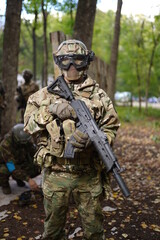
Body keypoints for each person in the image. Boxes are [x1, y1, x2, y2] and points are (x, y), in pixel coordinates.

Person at [24, 39, 120, 240]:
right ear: (58, 62)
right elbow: (28, 126)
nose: (71, 67)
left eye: (78, 60)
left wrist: (97, 138)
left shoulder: (99, 96)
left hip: (88, 175)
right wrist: (51, 109)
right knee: (52, 232)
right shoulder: (42, 96)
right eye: (65, 61)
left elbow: (111, 128)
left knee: (94, 232)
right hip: (55, 174)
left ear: (86, 62)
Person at [0, 123, 40, 194]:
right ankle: (4, 184)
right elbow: (11, 167)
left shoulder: (26, 139)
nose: (24, 144)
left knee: (36, 168)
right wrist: (28, 179)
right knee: (3, 171)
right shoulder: (5, 145)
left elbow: (34, 152)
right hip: (6, 163)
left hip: (19, 160)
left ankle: (18, 178)